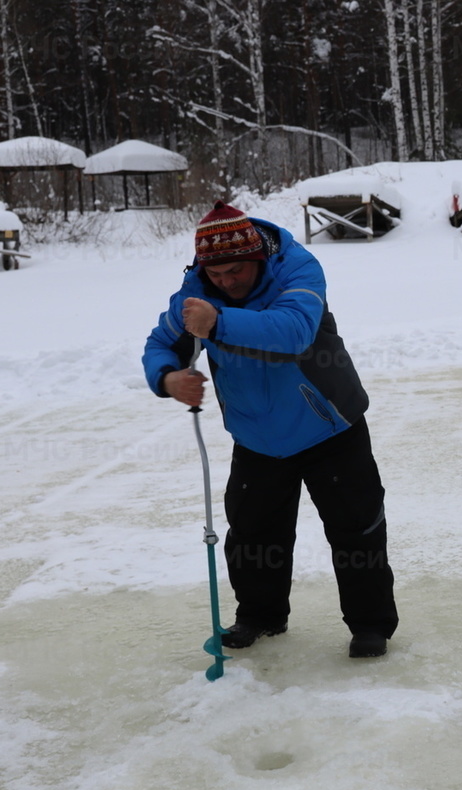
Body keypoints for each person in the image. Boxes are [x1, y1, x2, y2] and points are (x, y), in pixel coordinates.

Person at [143, 201, 398, 659]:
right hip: (256, 437)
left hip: (330, 427)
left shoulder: (297, 270)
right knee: (253, 535)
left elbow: (294, 331)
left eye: (236, 271)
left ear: (257, 257)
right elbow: (163, 342)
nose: (227, 282)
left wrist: (218, 322)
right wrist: (168, 377)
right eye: (216, 275)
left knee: (356, 531)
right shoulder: (196, 292)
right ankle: (259, 616)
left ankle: (370, 625)